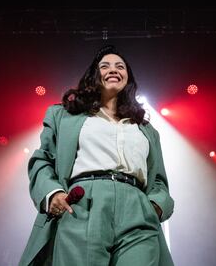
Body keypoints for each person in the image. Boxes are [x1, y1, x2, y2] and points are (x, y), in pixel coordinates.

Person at [19, 45, 175, 266]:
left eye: (120, 66)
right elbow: (43, 159)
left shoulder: (146, 129)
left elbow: (158, 180)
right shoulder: (64, 115)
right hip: (84, 204)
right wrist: (52, 194)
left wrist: (154, 206)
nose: (113, 69)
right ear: (94, 76)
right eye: (105, 66)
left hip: (138, 209)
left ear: (128, 79)